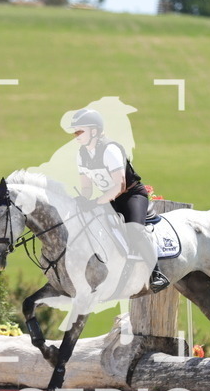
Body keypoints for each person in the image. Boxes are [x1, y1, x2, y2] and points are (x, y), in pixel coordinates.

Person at [69, 108, 171, 293]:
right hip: (108, 198)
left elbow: (120, 185)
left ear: (94, 131)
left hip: (131, 195)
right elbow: (86, 188)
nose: (76, 135)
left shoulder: (110, 149)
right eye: (75, 131)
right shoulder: (82, 154)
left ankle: (156, 274)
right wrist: (82, 200)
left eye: (79, 131)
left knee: (135, 230)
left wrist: (97, 202)